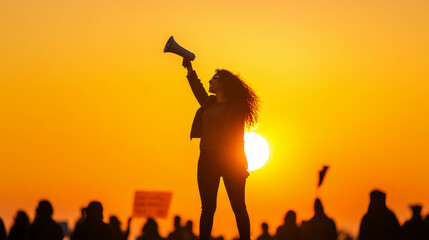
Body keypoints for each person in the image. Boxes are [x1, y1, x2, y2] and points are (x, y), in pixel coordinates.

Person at [182, 58, 260, 240]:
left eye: (214, 78)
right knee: (208, 208)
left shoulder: (236, 108)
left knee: (238, 206)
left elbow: (237, 138)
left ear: (224, 84)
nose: (210, 80)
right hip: (207, 159)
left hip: (229, 160)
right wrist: (190, 69)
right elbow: (198, 89)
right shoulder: (208, 103)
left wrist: (241, 163)